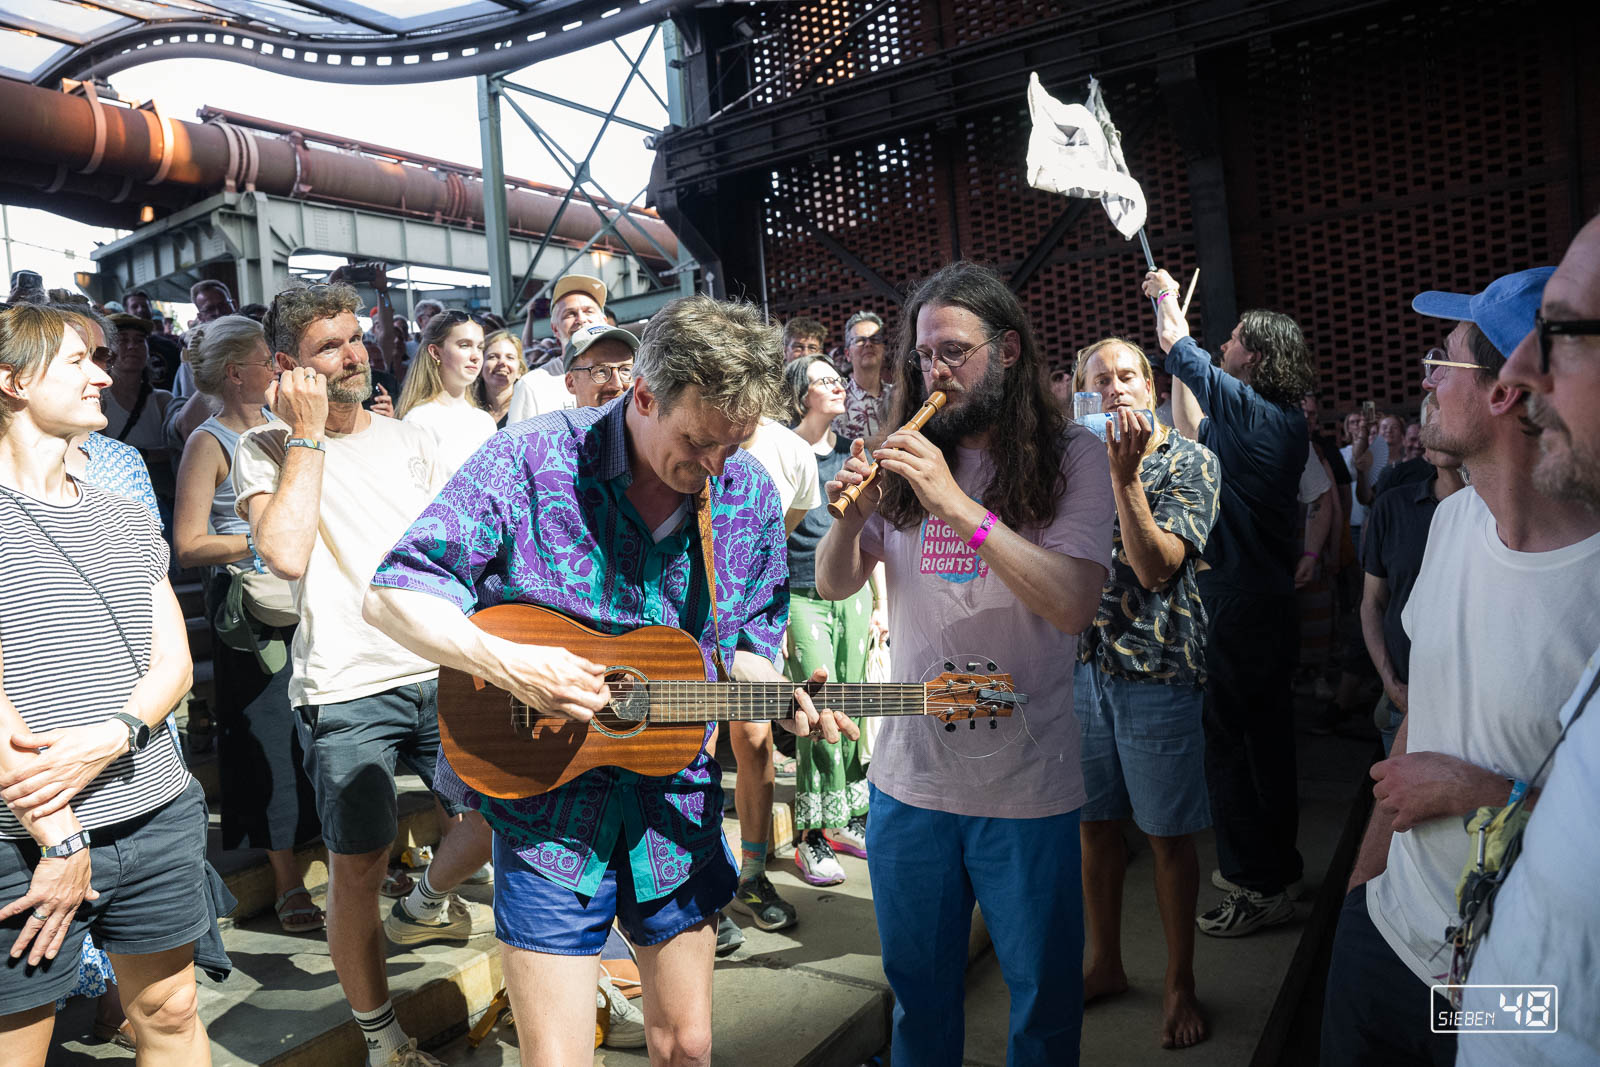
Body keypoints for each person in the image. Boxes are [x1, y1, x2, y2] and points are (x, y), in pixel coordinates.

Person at [363, 293, 854, 1066]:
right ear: (645, 395)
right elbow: (391, 591)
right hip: (548, 806)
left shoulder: (747, 492)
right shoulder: (531, 459)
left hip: (674, 802)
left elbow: (742, 649)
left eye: (737, 441)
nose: (716, 465)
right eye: (698, 441)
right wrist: (513, 664)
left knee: (686, 1047)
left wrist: (779, 695)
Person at [816, 261, 1113, 1065]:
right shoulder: (906, 455)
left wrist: (958, 504)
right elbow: (833, 580)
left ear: (1008, 350)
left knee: (1044, 1003)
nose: (933, 372)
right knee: (918, 997)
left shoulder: (1073, 458)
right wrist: (852, 521)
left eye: (953, 352)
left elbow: (1073, 602)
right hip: (909, 782)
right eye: (924, 356)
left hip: (1027, 782)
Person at [1322, 266, 1600, 1066]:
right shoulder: (1449, 525)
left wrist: (1479, 794)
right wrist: (1360, 887)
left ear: (1507, 392)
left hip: (1502, 987)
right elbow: (1421, 719)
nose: (1427, 378)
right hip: (1384, 933)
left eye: (1444, 358)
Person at [233, 282, 491, 1067]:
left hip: (443, 665)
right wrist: (306, 435)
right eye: (329, 346)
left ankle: (426, 902)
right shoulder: (266, 446)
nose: (353, 354)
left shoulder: (408, 436)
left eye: (356, 337)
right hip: (345, 684)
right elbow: (282, 550)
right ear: (288, 365)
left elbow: (461, 549)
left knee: (505, 823)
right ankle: (384, 1039)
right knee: (356, 867)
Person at [0, 304, 212, 1065]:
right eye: (76, 362)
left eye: (98, 359)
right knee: (17, 1043)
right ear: (11, 380)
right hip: (25, 839)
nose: (103, 374)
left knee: (173, 1010)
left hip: (154, 808)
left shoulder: (123, 514)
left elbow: (174, 663)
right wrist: (63, 840)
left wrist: (112, 736)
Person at [1458, 214, 1600, 1066]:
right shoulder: (1448, 531)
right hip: (1448, 964)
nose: (1516, 370)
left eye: (1565, 332)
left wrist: (1466, 789)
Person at [1141, 269, 1315, 937]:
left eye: (1238, 337)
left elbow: (1177, 345)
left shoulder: (1257, 413)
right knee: (1266, 741)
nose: (1228, 341)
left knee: (1231, 744)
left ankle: (1255, 882)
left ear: (1260, 356)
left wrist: (1163, 298)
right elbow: (1189, 424)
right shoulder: (1269, 422)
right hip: (1260, 603)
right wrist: (1185, 364)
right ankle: (1276, 865)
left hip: (1239, 605)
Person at [1069, 337, 1219, 1050]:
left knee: (1166, 836)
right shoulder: (1075, 464)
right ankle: (1105, 962)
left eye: (1128, 374)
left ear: (1152, 385)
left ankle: (1179, 977)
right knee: (1093, 824)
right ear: (1082, 394)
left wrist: (1125, 481)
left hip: (1158, 671)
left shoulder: (1191, 460)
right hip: (1082, 669)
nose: (1116, 387)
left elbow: (1157, 568)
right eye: (1100, 380)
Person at [171, 315, 322, 931]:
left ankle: (348, 853)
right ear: (236, 373)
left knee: (318, 733)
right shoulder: (207, 442)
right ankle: (288, 881)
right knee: (268, 742)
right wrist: (259, 543)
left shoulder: (289, 427)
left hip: (306, 599)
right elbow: (187, 544)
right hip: (251, 619)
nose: (278, 367)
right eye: (267, 358)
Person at [778, 356, 871, 890]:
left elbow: (868, 532)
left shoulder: (848, 454)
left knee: (854, 702)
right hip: (800, 594)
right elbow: (771, 538)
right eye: (822, 379)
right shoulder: (786, 452)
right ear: (800, 395)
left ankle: (846, 820)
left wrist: (877, 602)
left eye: (837, 376)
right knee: (817, 712)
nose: (837, 383)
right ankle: (810, 836)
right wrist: (777, 615)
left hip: (853, 594)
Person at [1359, 396, 1465, 756]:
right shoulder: (1394, 507)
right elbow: (1372, 603)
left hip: (1474, 705)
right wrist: (1389, 680)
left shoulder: (1495, 513)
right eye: (1433, 420)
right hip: (1405, 698)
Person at [396, 310, 495, 478]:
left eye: (480, 347)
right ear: (435, 352)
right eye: (464, 345)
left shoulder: (485, 421)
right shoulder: (418, 421)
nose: (476, 356)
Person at [507, 274, 607, 424]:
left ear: (604, 322)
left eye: (589, 311)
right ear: (555, 329)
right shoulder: (533, 386)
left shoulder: (628, 378)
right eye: (570, 314)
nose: (581, 319)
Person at [100, 313, 176, 509]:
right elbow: (102, 454)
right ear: (108, 351)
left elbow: (178, 450)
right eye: (123, 340)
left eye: (140, 341)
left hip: (164, 501)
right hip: (118, 503)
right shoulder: (98, 400)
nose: (132, 346)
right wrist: (151, 454)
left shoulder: (163, 401)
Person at [833, 311, 894, 445]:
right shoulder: (837, 401)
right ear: (848, 354)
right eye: (860, 340)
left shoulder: (899, 397)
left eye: (875, 339)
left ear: (883, 350)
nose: (868, 344)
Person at [562, 324, 637, 410]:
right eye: (601, 371)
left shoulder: (651, 422)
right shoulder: (552, 422)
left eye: (626, 370)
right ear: (570, 383)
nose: (617, 385)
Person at [476, 329, 526, 428]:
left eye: (510, 357)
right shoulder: (468, 409)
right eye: (493, 357)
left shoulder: (527, 408)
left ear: (520, 371)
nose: (502, 362)